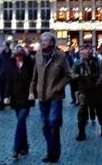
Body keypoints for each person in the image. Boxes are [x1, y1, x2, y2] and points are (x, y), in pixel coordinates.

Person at [29, 32, 72, 163]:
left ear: (52, 43)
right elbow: (34, 76)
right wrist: (32, 91)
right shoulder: (38, 55)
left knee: (53, 123)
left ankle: (55, 151)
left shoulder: (61, 56)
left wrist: (58, 88)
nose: (42, 43)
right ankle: (50, 150)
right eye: (41, 40)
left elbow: (68, 75)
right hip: (41, 96)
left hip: (55, 96)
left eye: (45, 41)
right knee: (45, 125)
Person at [3, 46, 35, 159]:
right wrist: (6, 96)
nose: (19, 58)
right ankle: (25, 147)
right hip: (15, 98)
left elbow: (33, 80)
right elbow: (8, 83)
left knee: (21, 120)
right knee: (21, 123)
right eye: (17, 56)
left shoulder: (29, 65)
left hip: (27, 97)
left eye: (21, 55)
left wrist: (33, 92)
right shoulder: (11, 65)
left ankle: (16, 148)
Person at [73, 44, 102, 141]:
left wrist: (98, 81)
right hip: (84, 90)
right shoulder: (78, 63)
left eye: (89, 49)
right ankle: (81, 131)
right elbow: (71, 72)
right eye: (85, 49)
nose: (88, 51)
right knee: (82, 111)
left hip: (97, 90)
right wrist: (78, 77)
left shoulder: (98, 62)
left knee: (100, 110)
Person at [0, 43, 13, 111]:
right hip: (2, 74)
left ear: (7, 46)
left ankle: (11, 102)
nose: (2, 46)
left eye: (3, 45)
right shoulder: (1, 54)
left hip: (11, 74)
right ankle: (2, 104)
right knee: (2, 90)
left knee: (10, 89)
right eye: (2, 45)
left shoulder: (12, 53)